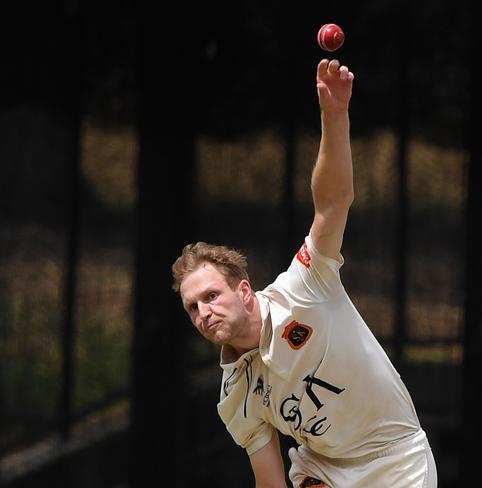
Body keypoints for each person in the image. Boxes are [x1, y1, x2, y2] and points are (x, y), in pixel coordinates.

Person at [172, 58, 437, 488]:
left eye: (211, 296)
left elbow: (332, 205)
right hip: (323, 471)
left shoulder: (303, 288)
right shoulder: (234, 396)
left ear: (244, 290)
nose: (203, 311)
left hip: (395, 460)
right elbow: (271, 483)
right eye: (193, 307)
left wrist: (334, 114)